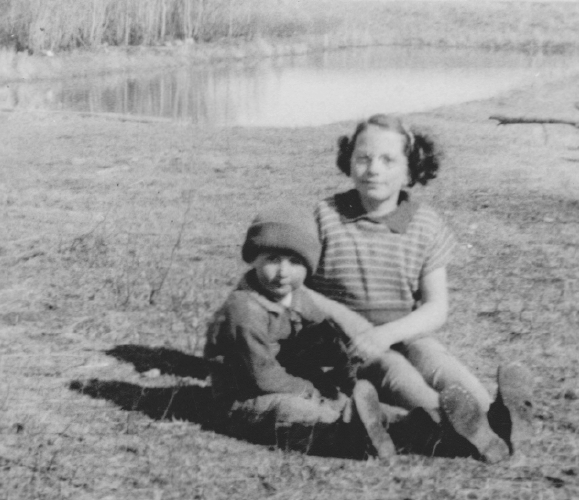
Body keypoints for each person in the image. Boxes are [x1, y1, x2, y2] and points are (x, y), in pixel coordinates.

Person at [308, 114, 535, 463]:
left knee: (436, 361)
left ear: (410, 170)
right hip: (347, 346)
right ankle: (456, 427)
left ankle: (498, 417)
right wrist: (363, 335)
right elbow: (301, 290)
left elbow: (435, 308)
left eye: (388, 160)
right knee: (406, 383)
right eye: (363, 158)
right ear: (348, 161)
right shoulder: (325, 217)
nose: (373, 169)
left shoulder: (425, 224)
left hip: (402, 332)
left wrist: (388, 333)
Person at [204, 205, 402, 459]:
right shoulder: (244, 311)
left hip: (296, 384)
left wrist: (343, 376)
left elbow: (328, 343)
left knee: (344, 402)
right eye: (272, 259)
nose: (283, 272)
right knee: (295, 410)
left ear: (308, 267)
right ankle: (351, 437)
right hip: (246, 401)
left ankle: (422, 426)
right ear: (254, 259)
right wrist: (309, 390)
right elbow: (261, 376)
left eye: (295, 262)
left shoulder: (298, 298)